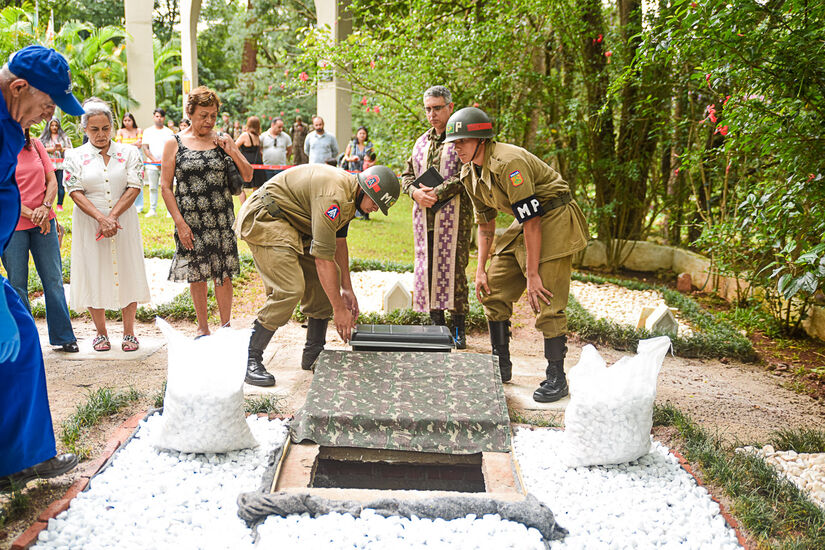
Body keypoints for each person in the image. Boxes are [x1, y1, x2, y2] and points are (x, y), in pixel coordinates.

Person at [445, 107, 589, 402]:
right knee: (493, 288)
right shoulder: (469, 173)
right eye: (454, 142)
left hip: (554, 217)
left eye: (462, 141)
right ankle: (501, 365)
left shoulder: (509, 163)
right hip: (526, 222)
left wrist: (532, 274)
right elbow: (485, 225)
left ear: (481, 140)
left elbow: (533, 221)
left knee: (545, 296)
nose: (456, 148)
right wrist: (481, 268)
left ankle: (557, 377)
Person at [0, 45, 83, 491]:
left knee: (20, 339)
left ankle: (20, 458)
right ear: (19, 87)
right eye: (47, 105)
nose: (47, 115)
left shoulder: (12, 124)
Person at [235, 164, 400, 386]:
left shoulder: (350, 195)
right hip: (267, 216)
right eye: (376, 203)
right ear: (366, 190)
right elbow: (323, 260)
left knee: (328, 282)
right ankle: (248, 357)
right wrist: (339, 310)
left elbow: (339, 243)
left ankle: (314, 352)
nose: (376, 209)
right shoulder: (334, 197)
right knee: (289, 289)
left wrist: (346, 289)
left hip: (294, 223)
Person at [160, 86, 252, 338]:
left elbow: (248, 175)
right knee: (197, 272)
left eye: (213, 115)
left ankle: (225, 327)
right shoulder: (174, 143)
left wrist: (232, 149)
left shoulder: (222, 140)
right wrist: (179, 223)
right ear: (190, 112)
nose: (209, 121)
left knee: (222, 273)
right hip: (190, 219)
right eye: (203, 115)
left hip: (221, 218)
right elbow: (165, 187)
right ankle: (202, 327)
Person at [64, 98, 151, 353]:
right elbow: (74, 190)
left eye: (105, 128)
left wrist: (111, 217)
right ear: (85, 129)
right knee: (94, 271)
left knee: (127, 269)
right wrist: (101, 219)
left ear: (112, 127)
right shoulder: (75, 156)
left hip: (123, 220)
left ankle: (129, 332)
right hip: (89, 223)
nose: (101, 135)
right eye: (94, 129)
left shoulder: (129, 153)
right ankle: (100, 333)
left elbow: (134, 185)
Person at [401, 86, 472, 349]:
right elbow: (406, 175)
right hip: (425, 219)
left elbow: (467, 173)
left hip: (455, 220)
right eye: (428, 109)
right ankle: (435, 325)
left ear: (450, 108)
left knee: (454, 270)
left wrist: (437, 192)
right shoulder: (421, 142)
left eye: (437, 108)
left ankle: (458, 328)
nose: (432, 114)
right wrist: (415, 194)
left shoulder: (461, 138)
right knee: (428, 268)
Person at [2, 127, 78, 353]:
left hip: (44, 221)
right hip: (14, 225)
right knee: (17, 284)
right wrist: (29, 213)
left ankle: (64, 336)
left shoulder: (35, 145)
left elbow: (52, 180)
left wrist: (45, 208)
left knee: (54, 281)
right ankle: (27, 339)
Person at [140, 108, 174, 217]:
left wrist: (164, 161)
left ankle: (170, 211)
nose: (159, 118)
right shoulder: (148, 131)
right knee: (153, 187)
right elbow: (145, 148)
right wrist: (155, 160)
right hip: (152, 164)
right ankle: (152, 210)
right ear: (153, 117)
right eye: (157, 116)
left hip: (166, 165)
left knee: (167, 188)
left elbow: (172, 148)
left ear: (164, 118)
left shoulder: (169, 132)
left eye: (161, 116)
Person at [38, 117, 72, 212]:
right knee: (47, 185)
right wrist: (51, 149)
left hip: (60, 165)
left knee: (60, 185)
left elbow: (70, 149)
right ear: (48, 126)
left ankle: (59, 205)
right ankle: (47, 204)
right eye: (52, 125)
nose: (54, 127)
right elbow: (38, 150)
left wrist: (61, 149)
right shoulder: (43, 138)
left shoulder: (64, 137)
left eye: (56, 125)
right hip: (48, 165)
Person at [114, 112, 144, 212]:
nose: (127, 122)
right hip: (123, 157)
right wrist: (132, 144)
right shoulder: (120, 131)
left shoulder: (138, 130)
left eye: (129, 120)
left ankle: (139, 206)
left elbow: (139, 144)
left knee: (137, 180)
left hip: (137, 156)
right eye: (125, 120)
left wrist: (126, 144)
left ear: (133, 121)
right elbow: (118, 144)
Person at [235, 115, 265, 197]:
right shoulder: (258, 137)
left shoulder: (245, 135)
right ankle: (253, 205)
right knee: (256, 186)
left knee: (241, 187)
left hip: (246, 162)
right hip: (258, 163)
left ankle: (244, 207)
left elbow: (234, 147)